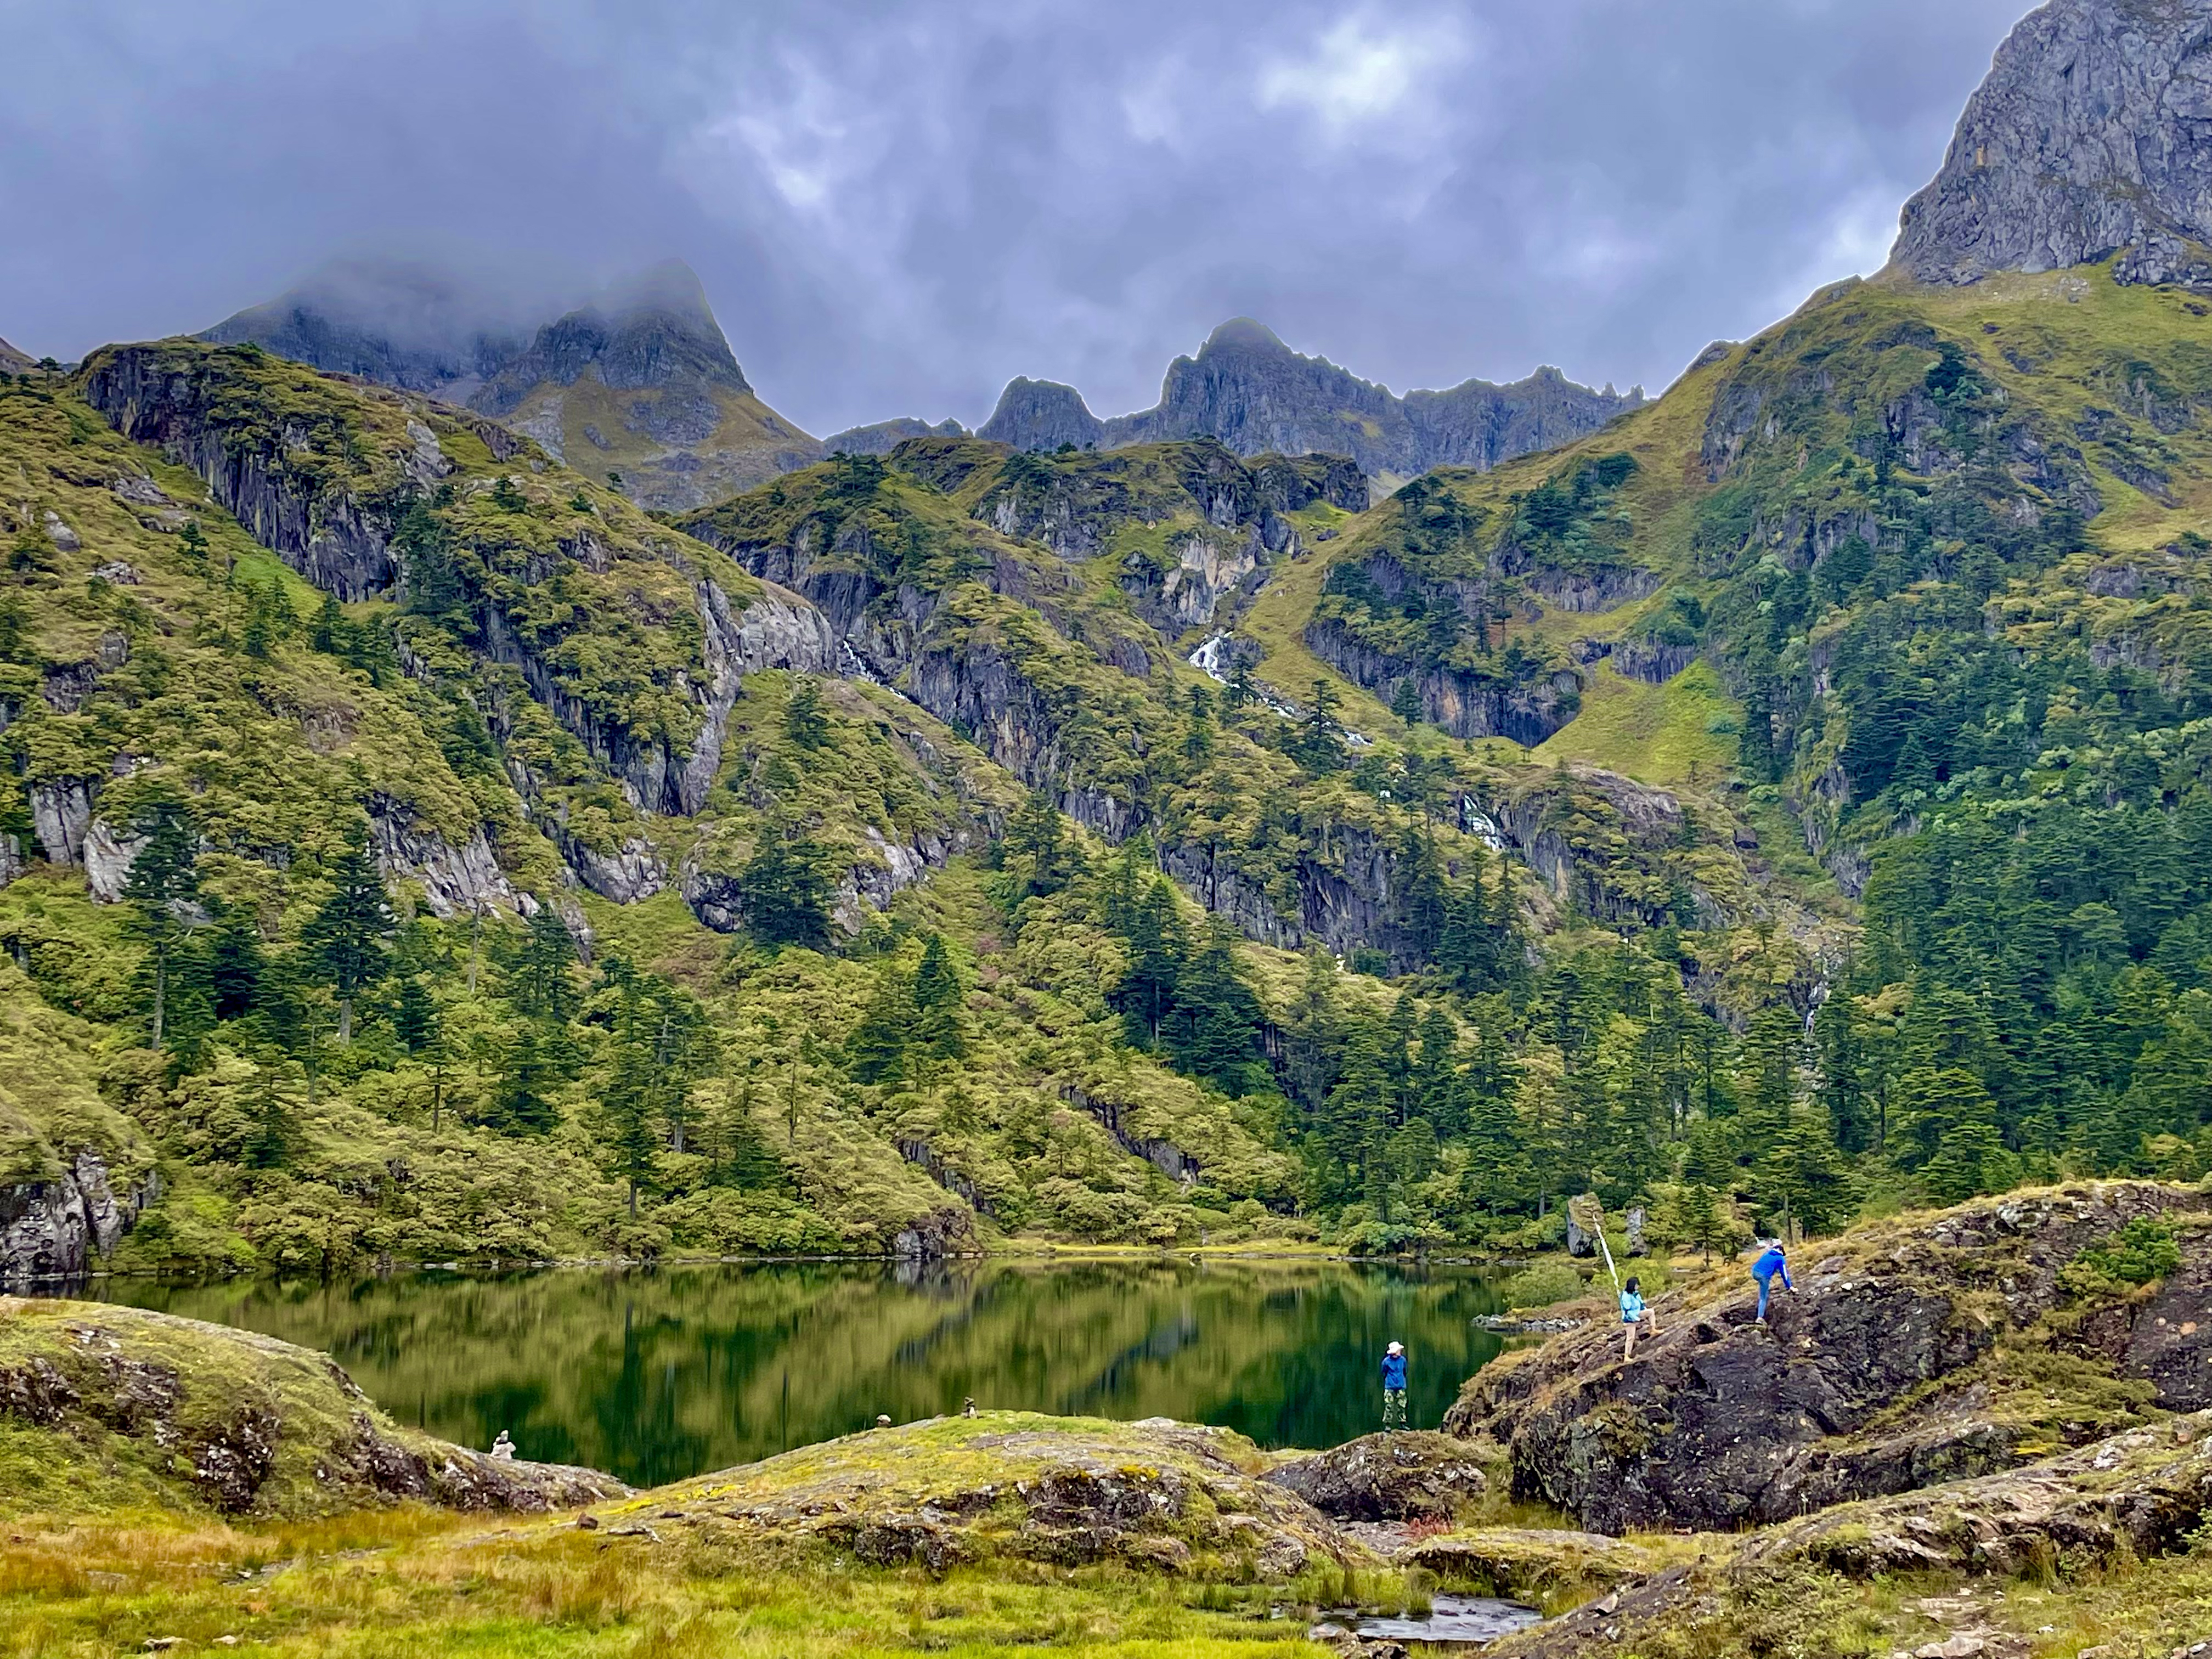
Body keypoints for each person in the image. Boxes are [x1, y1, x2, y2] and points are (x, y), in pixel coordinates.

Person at [1752, 1239, 1793, 1323]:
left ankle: (1762, 1289)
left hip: (1755, 1272)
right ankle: (1760, 1317)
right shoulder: (1780, 1258)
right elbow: (1784, 1274)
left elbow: (1766, 1265)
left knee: (1763, 1285)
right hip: (1764, 1276)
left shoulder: (1768, 1253)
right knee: (1764, 1297)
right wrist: (1790, 1286)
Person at [1619, 1275, 1654, 1360]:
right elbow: (1628, 1310)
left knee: (1651, 1312)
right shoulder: (1625, 1296)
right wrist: (1637, 1319)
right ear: (1632, 1285)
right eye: (1637, 1285)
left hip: (1637, 1314)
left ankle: (1653, 1329)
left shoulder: (1636, 1294)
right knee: (1631, 1338)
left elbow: (1641, 1304)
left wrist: (1644, 1311)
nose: (1638, 1287)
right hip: (1629, 1319)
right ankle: (1627, 1356)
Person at [1380, 1341, 1408, 1431]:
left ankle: (1403, 1423)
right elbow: (1383, 1372)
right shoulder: (1386, 1362)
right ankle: (1387, 1425)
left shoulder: (1403, 1360)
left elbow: (1405, 1371)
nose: (1400, 1351)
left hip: (1401, 1386)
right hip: (1390, 1387)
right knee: (1389, 1406)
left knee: (1402, 1406)